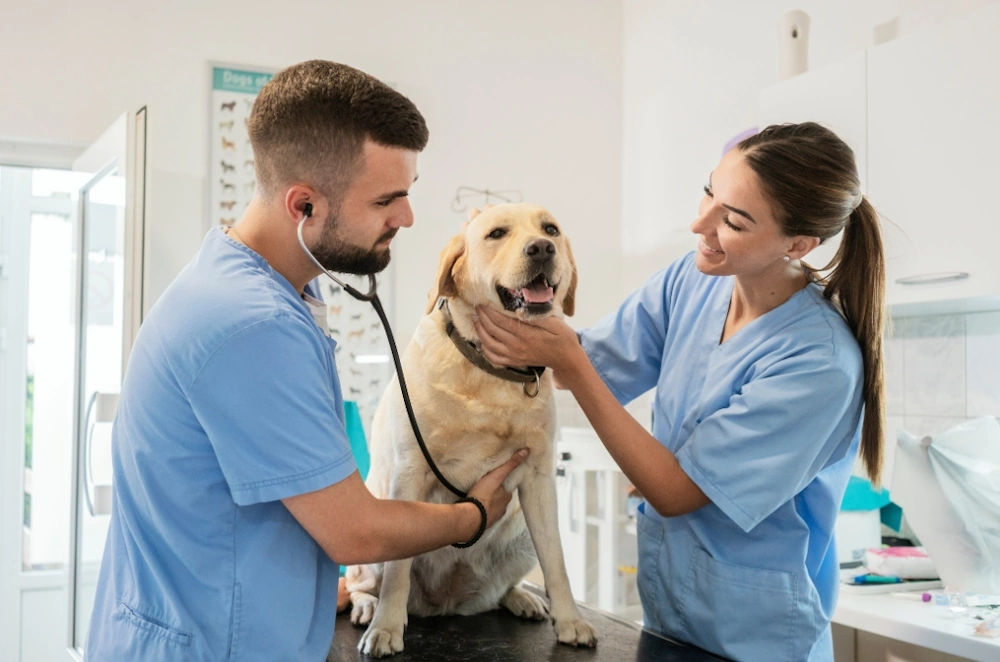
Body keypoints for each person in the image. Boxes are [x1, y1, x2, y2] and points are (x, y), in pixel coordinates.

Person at [85, 60, 528, 661]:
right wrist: (473, 516)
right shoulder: (252, 324)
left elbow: (262, 495)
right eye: (386, 200)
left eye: (409, 192)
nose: (407, 218)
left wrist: (310, 587)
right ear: (303, 207)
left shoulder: (264, 286)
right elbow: (356, 529)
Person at [474, 122, 885, 662]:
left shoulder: (817, 362)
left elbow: (673, 489)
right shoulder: (693, 281)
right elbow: (583, 365)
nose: (700, 223)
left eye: (733, 220)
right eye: (710, 191)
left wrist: (565, 355)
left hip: (755, 639)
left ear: (798, 244)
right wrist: (476, 306)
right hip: (670, 617)